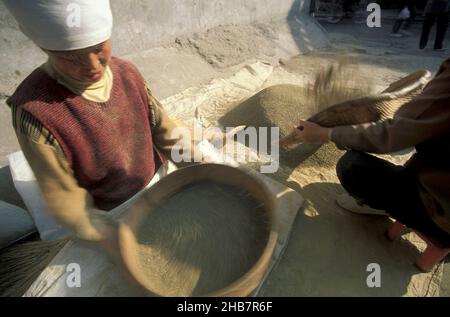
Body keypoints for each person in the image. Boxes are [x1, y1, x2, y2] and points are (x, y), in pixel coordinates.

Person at [3, 0, 196, 257]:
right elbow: (63, 196)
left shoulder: (127, 73)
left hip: (156, 182)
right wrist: (111, 237)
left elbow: (164, 131)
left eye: (98, 49)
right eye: (70, 58)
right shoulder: (34, 111)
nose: (93, 66)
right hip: (109, 213)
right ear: (44, 48)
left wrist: (198, 162)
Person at [286, 57, 450, 248]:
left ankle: (391, 208)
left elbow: (392, 137)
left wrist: (326, 133)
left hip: (442, 214)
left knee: (352, 166)